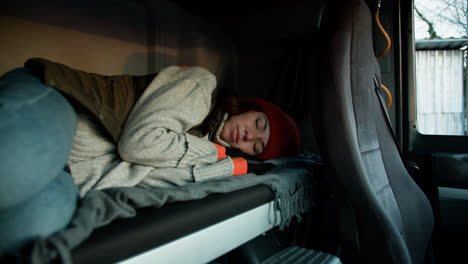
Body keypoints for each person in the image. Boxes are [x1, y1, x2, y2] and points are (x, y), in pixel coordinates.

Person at [0, 58, 301, 254]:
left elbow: (140, 173)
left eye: (257, 147)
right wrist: (214, 156)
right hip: (64, 105)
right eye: (258, 124)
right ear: (250, 108)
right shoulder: (201, 87)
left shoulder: (211, 157)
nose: (249, 136)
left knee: (26, 234)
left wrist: (218, 163)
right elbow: (138, 145)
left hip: (72, 173)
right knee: (14, 163)